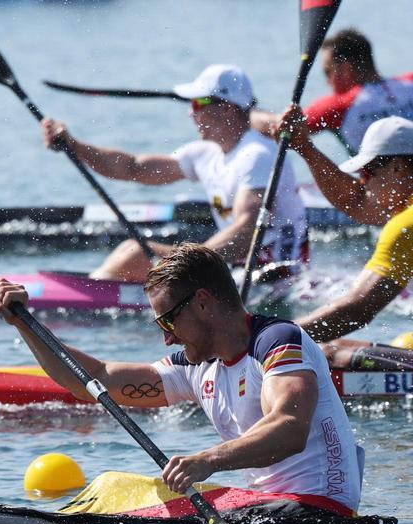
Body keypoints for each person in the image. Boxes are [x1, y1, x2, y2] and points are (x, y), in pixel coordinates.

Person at [0, 244, 362, 515]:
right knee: (115, 487)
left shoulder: (277, 341)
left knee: (118, 498)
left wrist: (207, 460)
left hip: (319, 510)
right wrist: (26, 324)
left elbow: (289, 428)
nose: (166, 337)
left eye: (168, 320)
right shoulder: (197, 366)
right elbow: (96, 379)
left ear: (202, 302)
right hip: (269, 509)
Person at [42, 64, 307, 284]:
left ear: (227, 108)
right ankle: (98, 286)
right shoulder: (206, 153)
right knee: (133, 250)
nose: (191, 112)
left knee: (135, 253)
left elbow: (246, 231)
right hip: (234, 267)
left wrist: (182, 264)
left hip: (272, 274)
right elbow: (133, 167)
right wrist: (75, 146)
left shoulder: (256, 155)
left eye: (198, 103)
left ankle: (90, 295)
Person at [277, 111, 413, 369]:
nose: (362, 181)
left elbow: (355, 310)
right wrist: (305, 148)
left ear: (396, 167)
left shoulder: (406, 224)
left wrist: (266, 340)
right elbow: (358, 202)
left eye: (366, 171)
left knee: (328, 356)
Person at [253, 29, 413, 155]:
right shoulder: (409, 82)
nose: (327, 82)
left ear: (345, 68)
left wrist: (246, 111)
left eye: (327, 72)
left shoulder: (340, 106)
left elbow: (282, 126)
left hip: (382, 193)